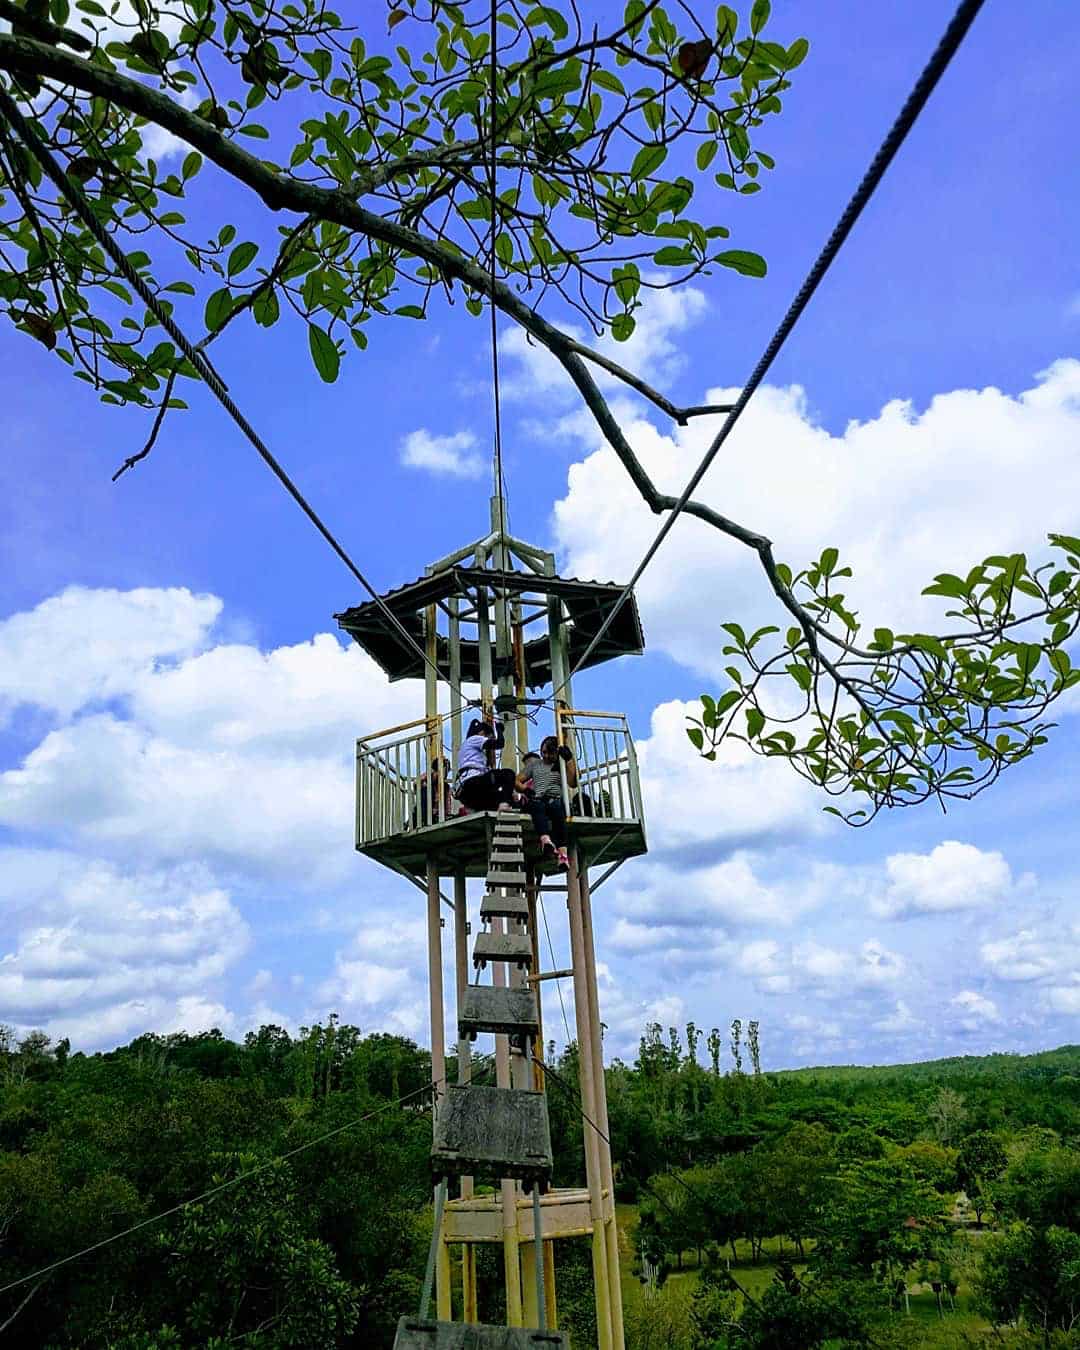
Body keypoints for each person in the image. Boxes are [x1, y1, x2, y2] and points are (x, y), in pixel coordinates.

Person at [521, 735, 576, 869]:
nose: (545, 756)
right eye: (543, 752)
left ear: (556, 753)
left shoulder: (561, 765)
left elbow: (573, 783)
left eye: (549, 753)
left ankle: (563, 856)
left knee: (558, 813)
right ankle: (545, 840)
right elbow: (517, 780)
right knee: (537, 807)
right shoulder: (535, 765)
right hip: (538, 798)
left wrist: (569, 760)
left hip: (554, 799)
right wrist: (525, 790)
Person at [454, 717, 518, 812]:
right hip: (472, 784)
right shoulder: (474, 739)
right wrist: (499, 730)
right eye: (490, 738)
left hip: (465, 792)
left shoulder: (469, 752)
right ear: (483, 733)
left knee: (495, 802)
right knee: (508, 774)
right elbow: (499, 744)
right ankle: (504, 804)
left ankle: (502, 805)